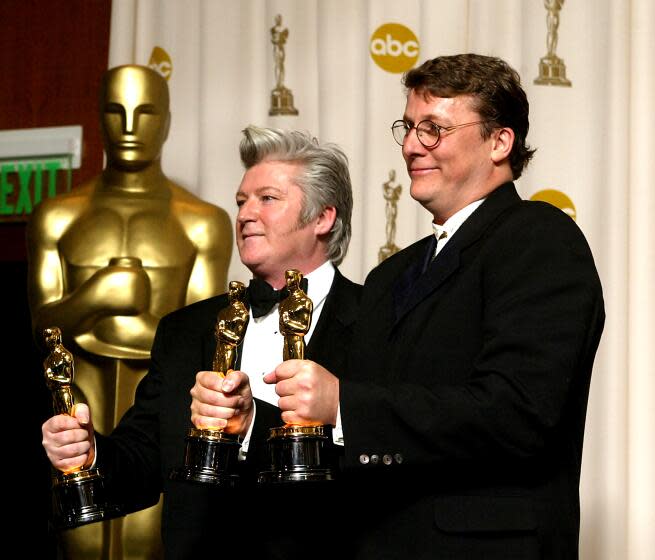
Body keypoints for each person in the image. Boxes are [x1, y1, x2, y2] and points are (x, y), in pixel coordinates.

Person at [266, 53, 605, 558]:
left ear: (499, 141)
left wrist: (345, 405)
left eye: (434, 129)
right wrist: (257, 419)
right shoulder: (389, 277)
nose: (409, 146)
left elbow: (518, 413)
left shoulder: (539, 238)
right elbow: (352, 425)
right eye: (407, 127)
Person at [41, 124, 361, 558]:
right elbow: (144, 458)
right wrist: (90, 451)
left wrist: (251, 425)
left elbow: (376, 468)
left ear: (324, 217)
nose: (246, 214)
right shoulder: (185, 330)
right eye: (242, 201)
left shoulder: (375, 322)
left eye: (267, 199)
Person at [28, 64, 232, 559]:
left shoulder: (203, 223)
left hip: (161, 408)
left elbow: (203, 340)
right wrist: (99, 296)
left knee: (148, 538)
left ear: (166, 121)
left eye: (144, 113)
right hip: (81, 394)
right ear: (98, 117)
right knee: (78, 538)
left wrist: (112, 322)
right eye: (115, 112)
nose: (129, 127)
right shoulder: (58, 215)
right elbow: (41, 328)